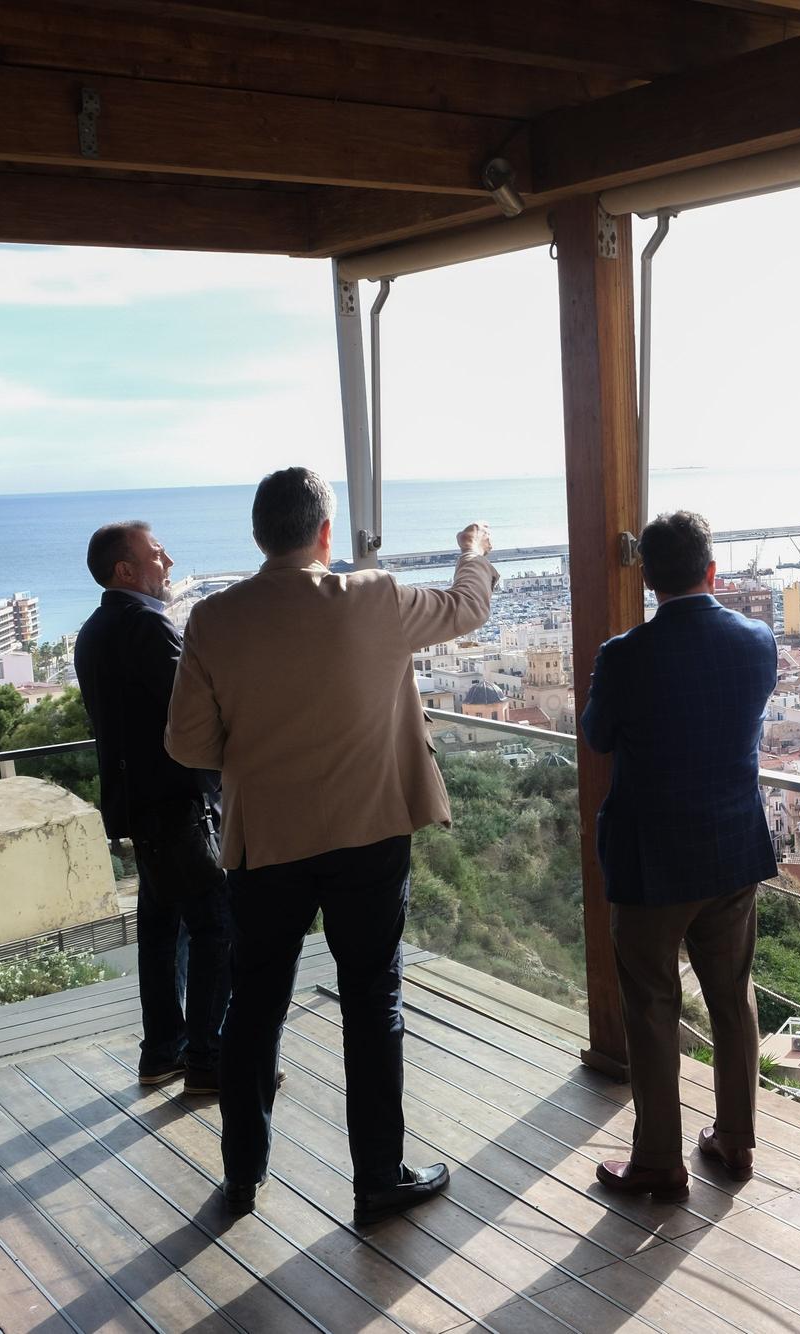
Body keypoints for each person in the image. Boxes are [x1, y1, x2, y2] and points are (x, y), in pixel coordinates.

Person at [166, 467, 497, 1226]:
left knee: (256, 1003)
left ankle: (243, 1175)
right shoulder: (373, 597)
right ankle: (379, 1174)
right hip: (369, 829)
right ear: (324, 534)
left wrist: (254, 753)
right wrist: (474, 548)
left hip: (269, 837)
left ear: (259, 537)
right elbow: (468, 606)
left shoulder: (215, 621)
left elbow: (187, 743)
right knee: (371, 995)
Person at [580, 510, 779, 1203]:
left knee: (652, 1004)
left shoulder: (623, 655)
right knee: (732, 998)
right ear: (711, 571)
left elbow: (599, 738)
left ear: (647, 579)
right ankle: (735, 1140)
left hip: (650, 859)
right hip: (731, 850)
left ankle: (660, 1162)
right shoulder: (757, 642)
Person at [75, 522, 230, 1092]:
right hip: (173, 801)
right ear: (126, 570)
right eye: (157, 553)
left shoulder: (94, 629)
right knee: (219, 925)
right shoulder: (145, 625)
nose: (168, 560)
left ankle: (164, 1048)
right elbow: (191, 710)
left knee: (164, 928)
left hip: (138, 804)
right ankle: (210, 1059)